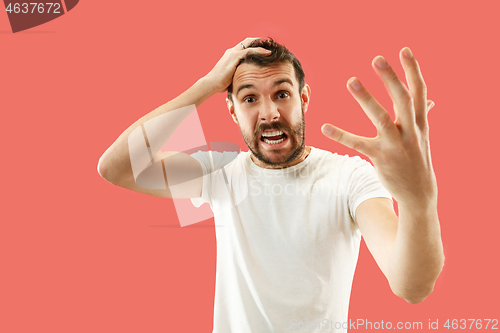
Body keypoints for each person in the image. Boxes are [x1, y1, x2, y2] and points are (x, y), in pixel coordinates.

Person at [97, 37, 445, 332]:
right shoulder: (220, 172)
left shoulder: (350, 176)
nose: (269, 114)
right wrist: (207, 84)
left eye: (282, 94)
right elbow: (117, 168)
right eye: (249, 98)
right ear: (232, 110)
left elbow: (411, 286)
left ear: (303, 98)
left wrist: (419, 201)